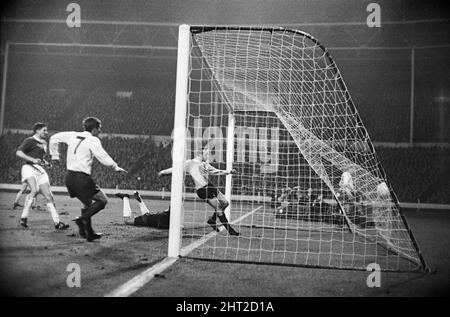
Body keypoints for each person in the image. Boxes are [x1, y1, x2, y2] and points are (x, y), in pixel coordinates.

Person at [49, 117, 127, 242]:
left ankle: (88, 233)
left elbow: (54, 138)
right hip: (82, 178)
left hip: (69, 177)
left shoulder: (72, 135)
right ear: (94, 129)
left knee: (87, 204)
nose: (100, 131)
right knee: (102, 200)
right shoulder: (93, 139)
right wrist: (114, 166)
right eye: (99, 128)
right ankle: (82, 219)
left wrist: (55, 156)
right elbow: (102, 156)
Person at [158, 147, 239, 236]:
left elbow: (215, 171)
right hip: (202, 190)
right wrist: (163, 172)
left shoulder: (205, 164)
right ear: (200, 154)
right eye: (206, 154)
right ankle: (231, 231)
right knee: (219, 208)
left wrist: (229, 171)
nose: (208, 156)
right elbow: (177, 168)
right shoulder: (190, 163)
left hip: (210, 186)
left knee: (225, 203)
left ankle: (212, 220)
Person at [16, 122, 69, 230]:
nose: (46, 132)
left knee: (49, 196)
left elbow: (40, 158)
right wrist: (33, 160)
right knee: (34, 190)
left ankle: (57, 222)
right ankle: (24, 217)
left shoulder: (44, 143)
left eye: (46, 130)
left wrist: (46, 163)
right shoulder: (29, 140)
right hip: (29, 167)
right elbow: (19, 153)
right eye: (44, 130)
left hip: (39, 169)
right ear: (37, 130)